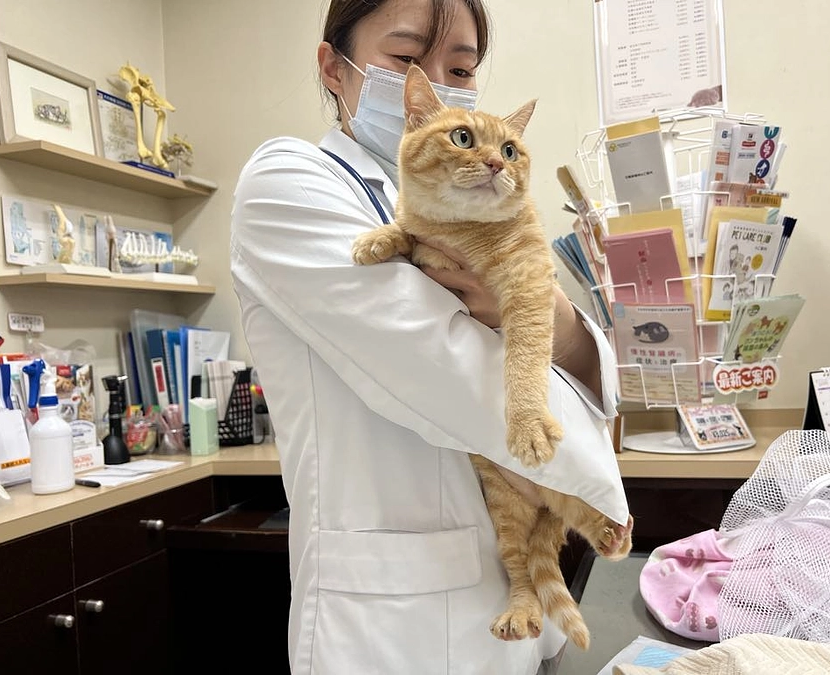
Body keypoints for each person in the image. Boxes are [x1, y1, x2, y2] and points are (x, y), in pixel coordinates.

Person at [230, 1, 629, 673]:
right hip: (401, 632)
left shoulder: (486, 202)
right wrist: (596, 490)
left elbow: (571, 362)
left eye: (463, 67)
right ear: (333, 67)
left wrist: (560, 324)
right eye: (408, 57)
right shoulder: (289, 184)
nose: (439, 83)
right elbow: (452, 375)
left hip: (531, 624)